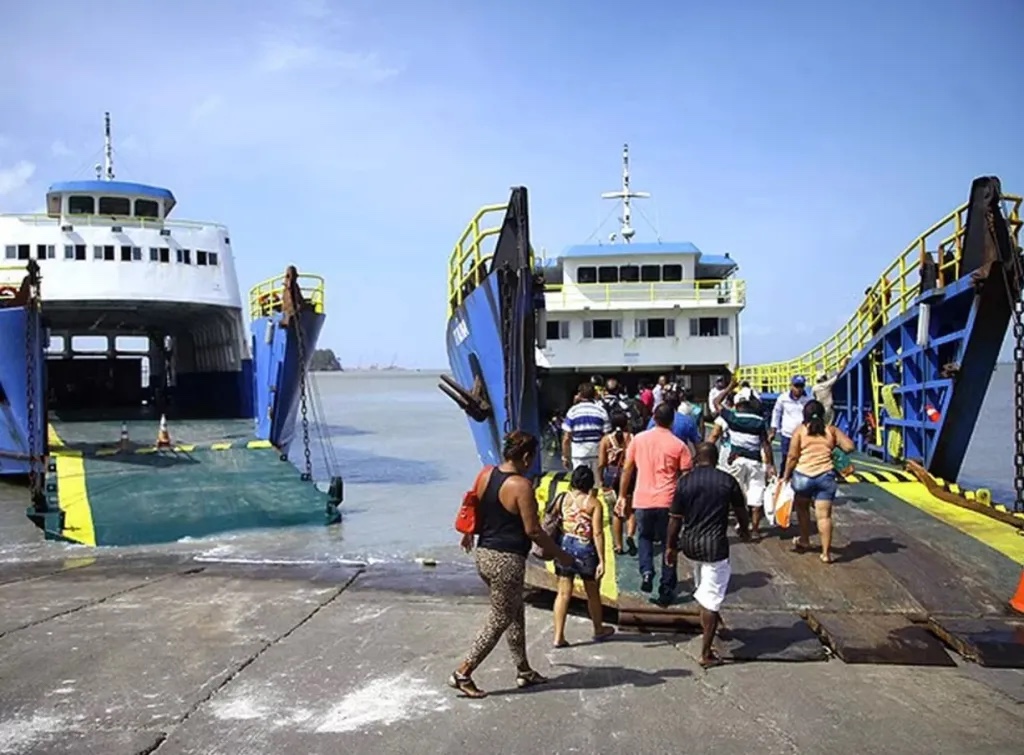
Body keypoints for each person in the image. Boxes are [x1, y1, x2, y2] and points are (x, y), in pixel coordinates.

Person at [450, 431, 575, 698]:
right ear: (526, 457)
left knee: (515, 613)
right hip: (506, 561)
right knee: (500, 618)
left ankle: (524, 670)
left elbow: (474, 504)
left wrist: (468, 533)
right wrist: (560, 554)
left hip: (484, 554)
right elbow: (533, 531)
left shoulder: (486, 474)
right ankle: (463, 672)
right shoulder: (521, 486)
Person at [666, 442, 751, 668]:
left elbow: (675, 519)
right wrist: (745, 530)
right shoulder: (727, 481)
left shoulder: (685, 482)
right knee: (711, 599)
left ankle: (716, 624)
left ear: (696, 459)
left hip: (691, 545)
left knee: (704, 588)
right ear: (715, 459)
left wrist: (670, 547)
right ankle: (706, 654)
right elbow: (741, 511)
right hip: (715, 547)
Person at [617, 402, 693, 605]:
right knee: (670, 545)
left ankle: (647, 572)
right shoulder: (679, 445)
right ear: (672, 421)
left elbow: (627, 470)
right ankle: (666, 588)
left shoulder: (638, 440)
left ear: (654, 417)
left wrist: (623, 496)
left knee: (644, 538)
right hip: (668, 502)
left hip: (643, 499)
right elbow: (686, 478)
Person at [781, 400, 856, 564]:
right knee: (824, 516)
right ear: (823, 415)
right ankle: (826, 553)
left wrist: (786, 476)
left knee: (802, 510)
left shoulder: (800, 431)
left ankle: (805, 540)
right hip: (825, 477)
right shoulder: (831, 431)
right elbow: (850, 447)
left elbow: (792, 457)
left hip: (803, 476)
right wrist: (834, 448)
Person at [552, 465, 617, 647]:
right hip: (585, 548)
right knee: (592, 593)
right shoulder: (593, 503)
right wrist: (602, 560)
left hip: (565, 544)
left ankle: (558, 636)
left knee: (563, 593)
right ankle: (598, 629)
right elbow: (597, 533)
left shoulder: (563, 498)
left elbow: (554, 521)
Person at [710, 378, 775, 539]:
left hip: (736, 461)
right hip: (755, 462)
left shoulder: (732, 418)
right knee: (756, 494)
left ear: (738, 403)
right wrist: (771, 464)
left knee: (737, 496)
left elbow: (716, 402)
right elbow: (765, 444)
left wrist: (729, 387)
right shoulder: (759, 422)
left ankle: (742, 525)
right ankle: (755, 530)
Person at [598, 411, 635, 555]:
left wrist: (600, 479)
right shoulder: (633, 438)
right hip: (630, 476)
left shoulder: (606, 440)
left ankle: (618, 545)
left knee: (616, 512)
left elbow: (601, 463)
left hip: (611, 478)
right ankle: (630, 535)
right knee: (631, 510)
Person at [561, 382, 611, 479]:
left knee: (580, 483)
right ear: (594, 394)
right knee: (596, 484)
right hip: (597, 453)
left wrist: (565, 457)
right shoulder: (601, 411)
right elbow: (606, 437)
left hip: (579, 454)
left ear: (580, 395)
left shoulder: (572, 411)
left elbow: (567, 438)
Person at [770, 375, 811, 468]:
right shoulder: (783, 398)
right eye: (796, 386)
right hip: (787, 434)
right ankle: (783, 478)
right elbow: (776, 413)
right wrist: (773, 430)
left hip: (803, 435)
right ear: (791, 386)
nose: (799, 389)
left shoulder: (809, 399)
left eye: (801, 386)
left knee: (802, 459)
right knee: (786, 458)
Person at [812, 357, 850, 426]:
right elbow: (838, 375)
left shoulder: (814, 388)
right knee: (827, 426)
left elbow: (814, 396)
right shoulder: (827, 384)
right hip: (828, 409)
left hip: (819, 409)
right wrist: (844, 365)